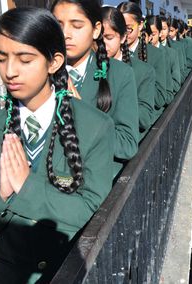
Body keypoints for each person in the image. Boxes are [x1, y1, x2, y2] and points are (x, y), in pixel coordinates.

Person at [0, 7, 115, 283]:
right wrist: (1, 193)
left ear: (54, 62)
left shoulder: (94, 126)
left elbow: (92, 213)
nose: (9, 71)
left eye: (25, 60)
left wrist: (26, 187)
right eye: (1, 59)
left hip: (70, 272)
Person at [51, 0, 139, 174]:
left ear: (96, 29)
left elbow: (127, 144)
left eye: (76, 26)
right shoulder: (40, 71)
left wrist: (83, 117)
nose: (65, 34)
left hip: (94, 184)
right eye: (57, 24)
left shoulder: (120, 74)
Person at [101, 6, 156, 139]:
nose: (103, 44)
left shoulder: (143, 71)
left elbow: (145, 118)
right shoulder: (91, 68)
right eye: (98, 38)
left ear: (122, 37)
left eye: (109, 37)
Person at [117, 2, 167, 113]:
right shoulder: (111, 53)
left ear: (140, 25)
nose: (124, 33)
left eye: (129, 28)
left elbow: (160, 98)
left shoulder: (156, 55)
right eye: (119, 28)